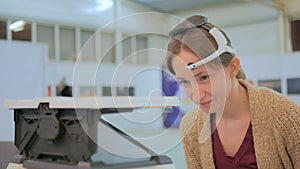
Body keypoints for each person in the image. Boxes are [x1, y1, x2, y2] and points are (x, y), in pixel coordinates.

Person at [165, 15, 300, 169]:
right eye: (185, 82)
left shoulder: (287, 119)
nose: (197, 95)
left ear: (233, 67)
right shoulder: (191, 126)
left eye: (204, 77)